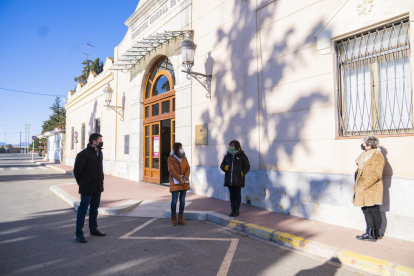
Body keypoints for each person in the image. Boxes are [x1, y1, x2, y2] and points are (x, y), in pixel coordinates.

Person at [73, 133, 105, 243]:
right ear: (94, 142)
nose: (101, 142)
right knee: (82, 210)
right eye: (100, 140)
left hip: (98, 186)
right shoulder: (83, 154)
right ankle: (79, 234)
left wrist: (101, 181)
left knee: (94, 209)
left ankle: (93, 229)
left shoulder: (99, 153)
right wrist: (83, 183)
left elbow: (100, 170)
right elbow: (77, 172)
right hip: (87, 187)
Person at [354, 135, 385, 242]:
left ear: (369, 146)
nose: (362, 145)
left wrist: (364, 185)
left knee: (373, 210)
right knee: (367, 210)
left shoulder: (377, 155)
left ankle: (373, 234)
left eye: (363, 143)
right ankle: (372, 234)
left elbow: (377, 173)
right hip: (364, 188)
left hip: (371, 188)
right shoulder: (365, 155)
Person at [220, 140, 250, 217]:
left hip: (238, 179)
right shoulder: (227, 156)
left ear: (237, 146)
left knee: (237, 195)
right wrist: (224, 168)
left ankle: (237, 210)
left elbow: (247, 166)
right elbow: (222, 165)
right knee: (231, 195)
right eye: (230, 145)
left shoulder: (242, 155)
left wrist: (242, 172)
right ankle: (232, 210)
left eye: (233, 145)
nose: (231, 146)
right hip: (229, 179)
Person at [168, 142, 190, 226]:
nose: (182, 149)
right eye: (180, 148)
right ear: (176, 149)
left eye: (182, 147)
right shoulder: (170, 158)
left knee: (182, 200)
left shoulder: (184, 157)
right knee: (174, 201)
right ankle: (173, 219)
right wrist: (180, 179)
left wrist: (185, 178)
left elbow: (188, 168)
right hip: (175, 182)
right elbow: (171, 170)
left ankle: (180, 218)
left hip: (184, 182)